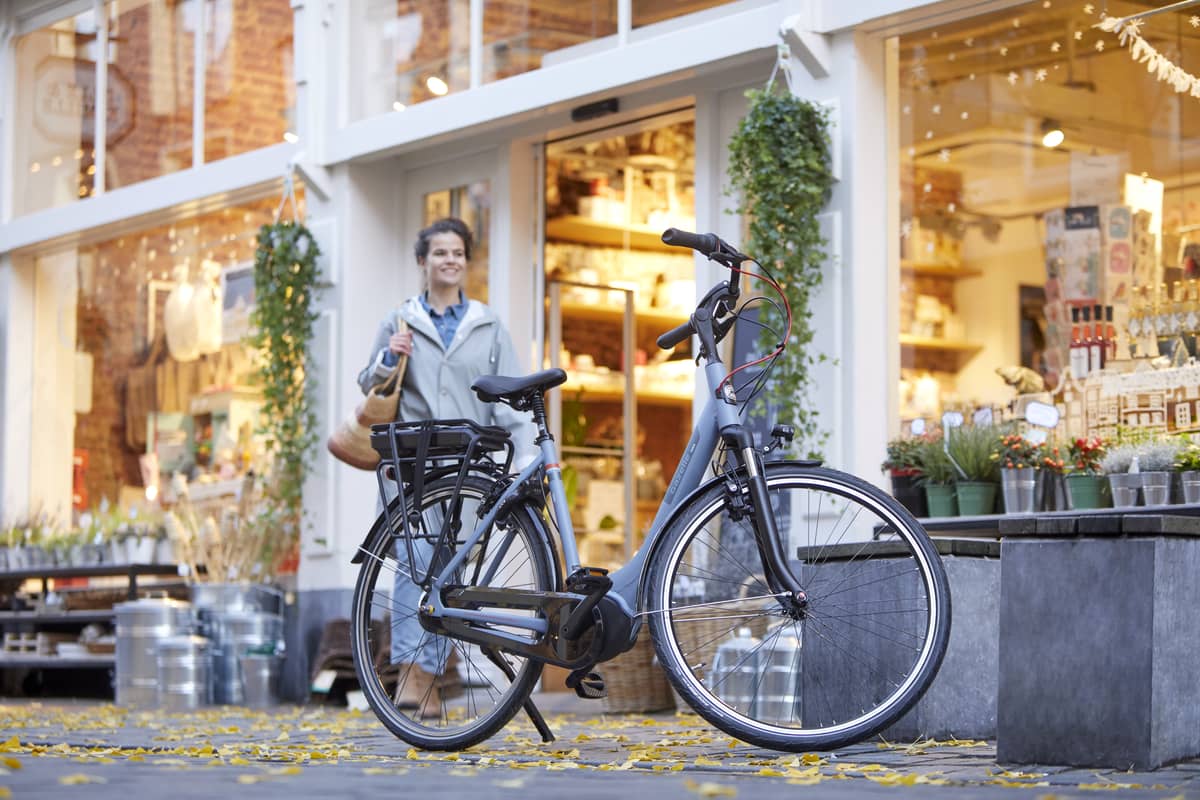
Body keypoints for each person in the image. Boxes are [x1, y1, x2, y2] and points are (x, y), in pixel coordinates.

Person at [357, 217, 534, 719]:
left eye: (457, 253)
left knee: (449, 575)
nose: (449, 260)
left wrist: (528, 452)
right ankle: (416, 678)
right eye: (439, 253)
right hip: (412, 465)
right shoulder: (399, 320)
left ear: (466, 261)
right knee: (414, 568)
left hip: (466, 467)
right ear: (422, 261)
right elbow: (368, 383)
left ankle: (430, 678)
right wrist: (390, 360)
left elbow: (508, 398)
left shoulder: (488, 324)